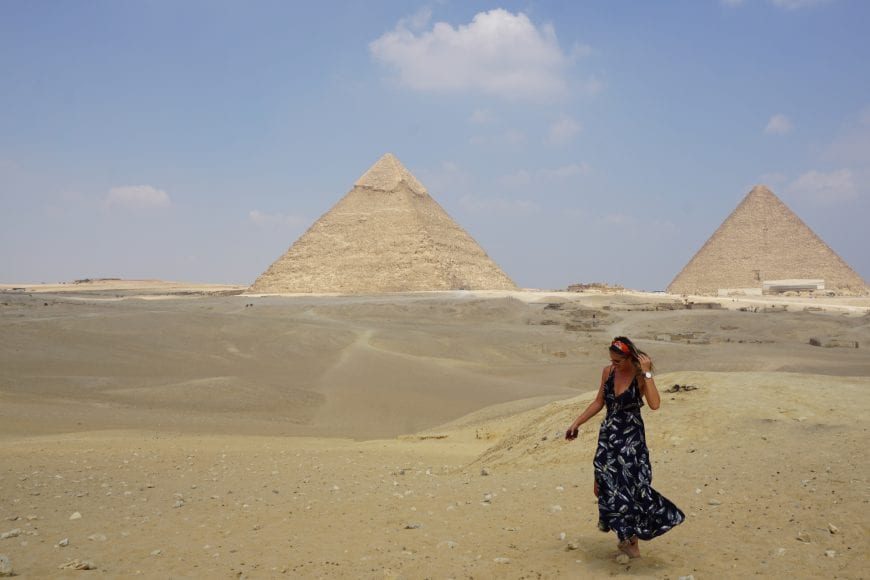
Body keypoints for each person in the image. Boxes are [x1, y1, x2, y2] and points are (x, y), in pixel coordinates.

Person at [565, 336, 684, 558]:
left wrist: (647, 373)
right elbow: (599, 402)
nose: (614, 364)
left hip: (631, 441)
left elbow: (655, 404)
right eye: (612, 360)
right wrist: (576, 423)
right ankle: (625, 537)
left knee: (633, 488)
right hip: (609, 438)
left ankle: (632, 541)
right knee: (603, 487)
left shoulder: (640, 376)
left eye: (618, 361)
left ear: (630, 358)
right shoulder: (608, 372)